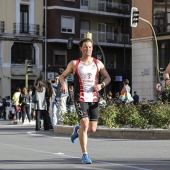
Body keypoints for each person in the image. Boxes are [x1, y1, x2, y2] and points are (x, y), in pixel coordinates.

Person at [59, 38, 111, 164]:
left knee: (92, 129)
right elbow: (62, 76)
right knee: (85, 123)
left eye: (90, 47)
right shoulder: (75, 63)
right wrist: (63, 84)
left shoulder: (98, 63)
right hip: (80, 97)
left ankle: (78, 130)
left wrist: (101, 85)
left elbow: (108, 77)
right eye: (85, 47)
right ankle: (85, 154)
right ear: (81, 48)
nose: (87, 49)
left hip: (93, 98)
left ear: (92, 49)